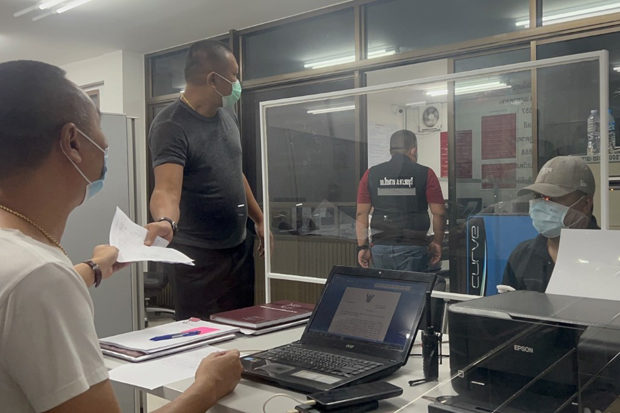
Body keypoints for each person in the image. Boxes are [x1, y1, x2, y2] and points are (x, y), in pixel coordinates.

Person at [0, 60, 242, 413]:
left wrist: (94, 268)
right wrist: (208, 386)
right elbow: (32, 286)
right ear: (72, 142)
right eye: (97, 127)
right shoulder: (39, 278)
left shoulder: (21, 263)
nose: (105, 143)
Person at [146, 40, 272, 320]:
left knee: (242, 331)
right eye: (235, 75)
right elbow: (166, 189)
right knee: (199, 341)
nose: (238, 83)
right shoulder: (171, 125)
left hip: (238, 249)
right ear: (214, 79)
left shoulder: (227, 115)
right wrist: (166, 221)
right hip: (197, 257)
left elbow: (233, 170)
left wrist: (259, 218)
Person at [502, 156, 599, 292]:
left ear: (586, 203)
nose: (541, 204)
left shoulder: (609, 258)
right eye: (537, 197)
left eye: (551, 198)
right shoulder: (522, 255)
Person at [356, 130, 447, 272]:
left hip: (380, 248)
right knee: (412, 292)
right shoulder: (426, 173)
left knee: (384, 291)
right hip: (414, 247)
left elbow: (361, 214)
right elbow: (439, 213)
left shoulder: (371, 174)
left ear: (390, 150)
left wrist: (363, 247)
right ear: (414, 150)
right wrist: (437, 242)